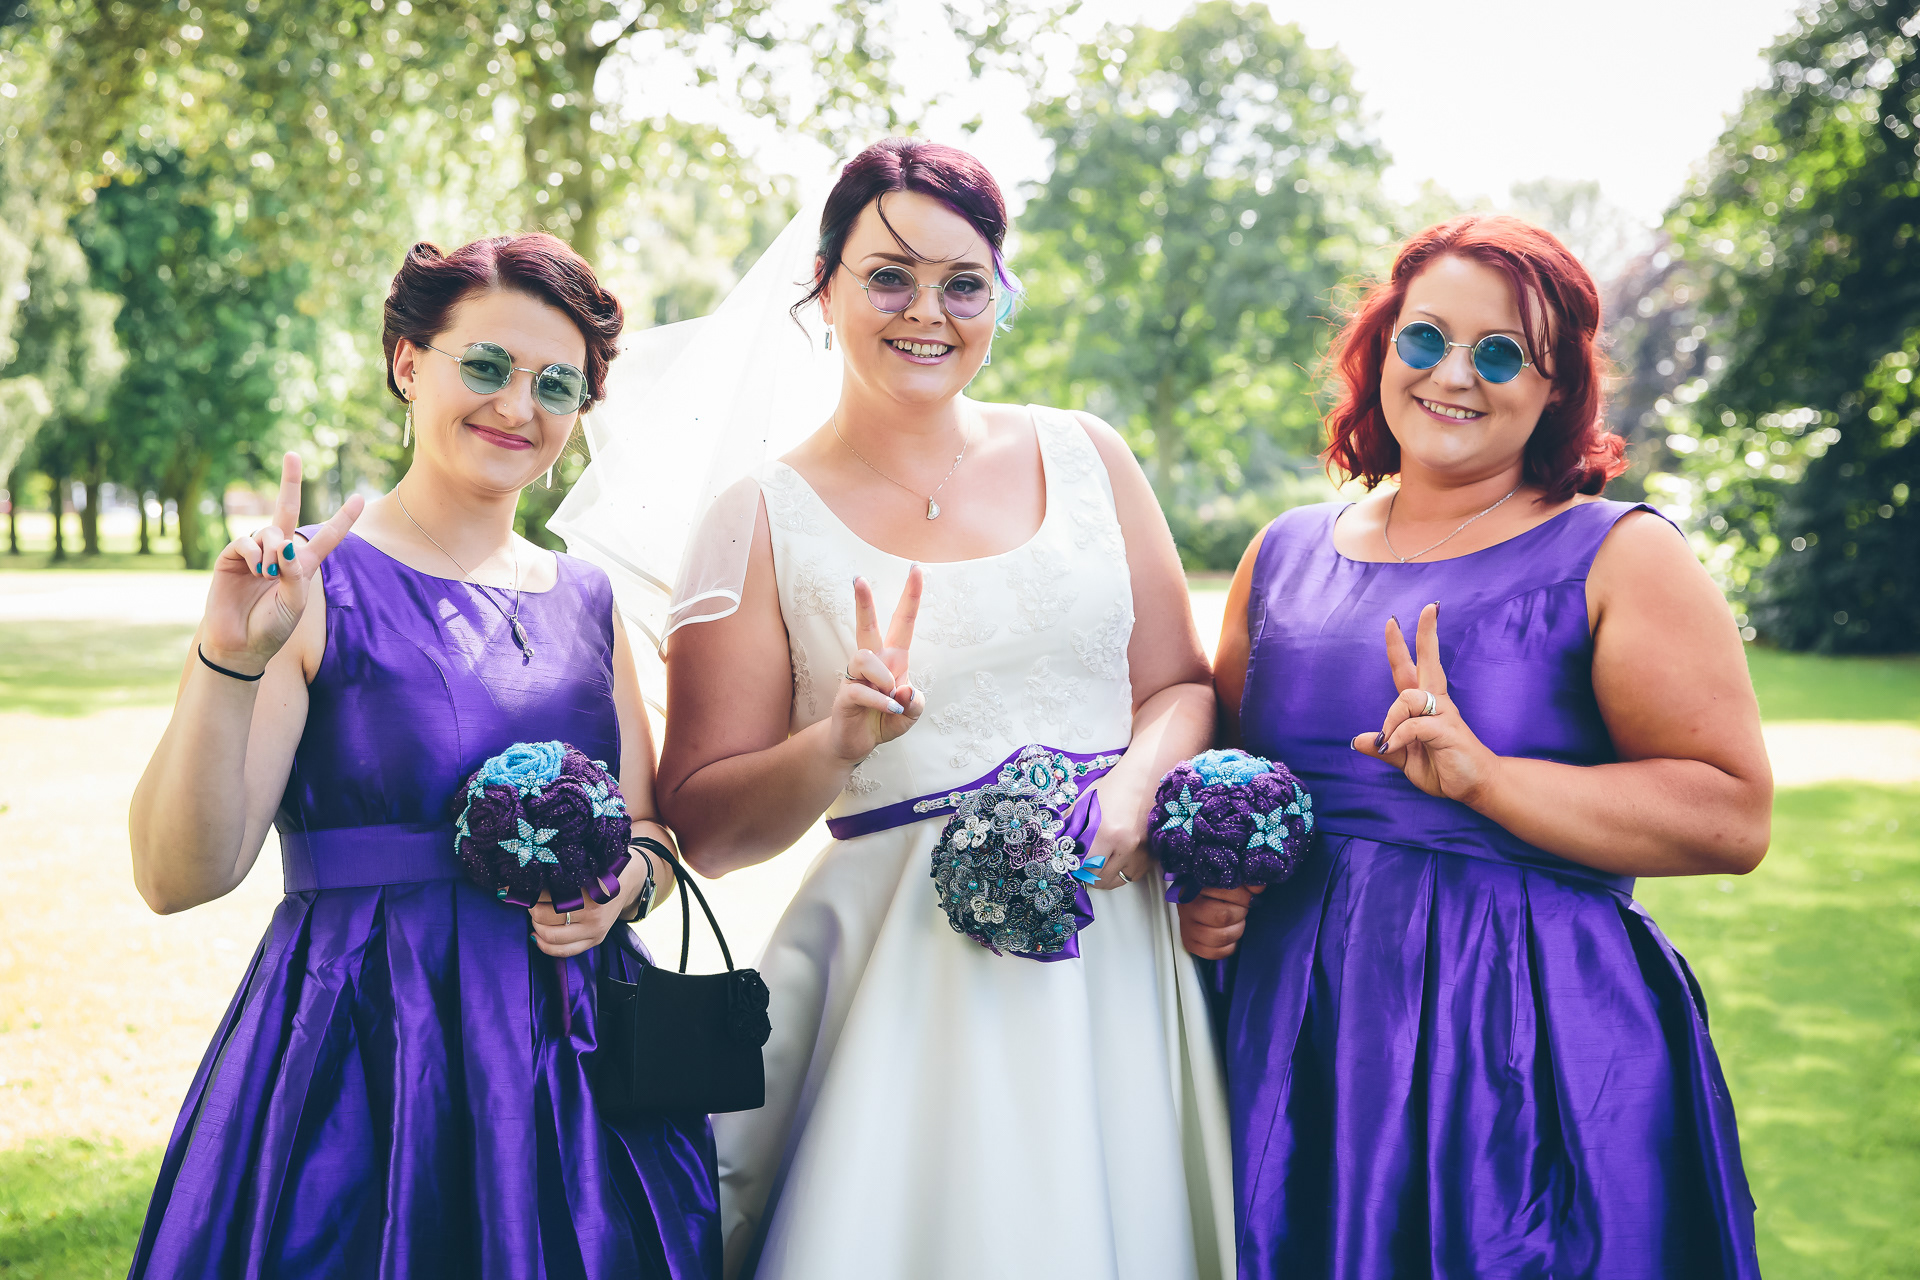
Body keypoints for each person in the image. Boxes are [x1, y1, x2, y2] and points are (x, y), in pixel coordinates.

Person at [651, 138, 1235, 1279]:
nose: (927, 311)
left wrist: (1132, 788)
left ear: (999, 298)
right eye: (889, 276)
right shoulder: (756, 518)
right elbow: (705, 830)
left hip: (1111, 945)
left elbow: (1180, 685)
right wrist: (834, 743)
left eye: (964, 283)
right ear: (823, 288)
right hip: (903, 982)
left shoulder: (1089, 455)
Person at [1185, 214, 1770, 1278]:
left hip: (1518, 1039)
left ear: (1557, 388)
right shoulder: (1282, 555)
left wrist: (1490, 780)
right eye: (1426, 337)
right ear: (1381, 350)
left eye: (1501, 353)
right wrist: (1210, 888)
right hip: (1292, 1035)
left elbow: (1732, 816)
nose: (1453, 373)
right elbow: (1225, 788)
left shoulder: (1620, 553)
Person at [126, 233, 720, 1279]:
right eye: (486, 365)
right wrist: (231, 660)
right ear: (408, 361)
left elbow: (650, 831)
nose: (518, 406)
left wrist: (620, 886)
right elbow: (179, 876)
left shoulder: (587, 600)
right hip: (368, 1046)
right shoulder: (312, 586)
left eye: (557, 384)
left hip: (569, 1058)